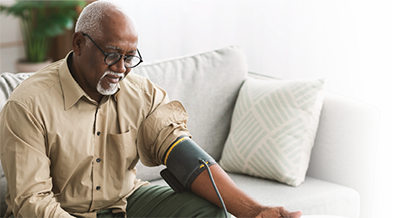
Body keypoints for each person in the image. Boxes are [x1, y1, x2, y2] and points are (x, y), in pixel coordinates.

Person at [0, 1, 303, 218]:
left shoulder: (141, 93)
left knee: (208, 212)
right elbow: (32, 203)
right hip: (62, 211)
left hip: (125, 200)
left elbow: (185, 156)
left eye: (130, 57)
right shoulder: (28, 104)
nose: (121, 68)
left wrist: (254, 211)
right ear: (79, 43)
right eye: (111, 54)